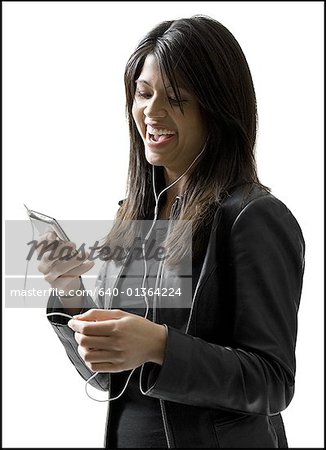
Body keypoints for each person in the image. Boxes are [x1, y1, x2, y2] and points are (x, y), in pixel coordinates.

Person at [37, 15, 305, 448]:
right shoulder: (138, 217)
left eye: (176, 97)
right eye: (143, 94)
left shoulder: (254, 216)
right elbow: (108, 378)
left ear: (216, 108)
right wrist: (70, 290)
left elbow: (272, 382)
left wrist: (160, 345)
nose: (151, 112)